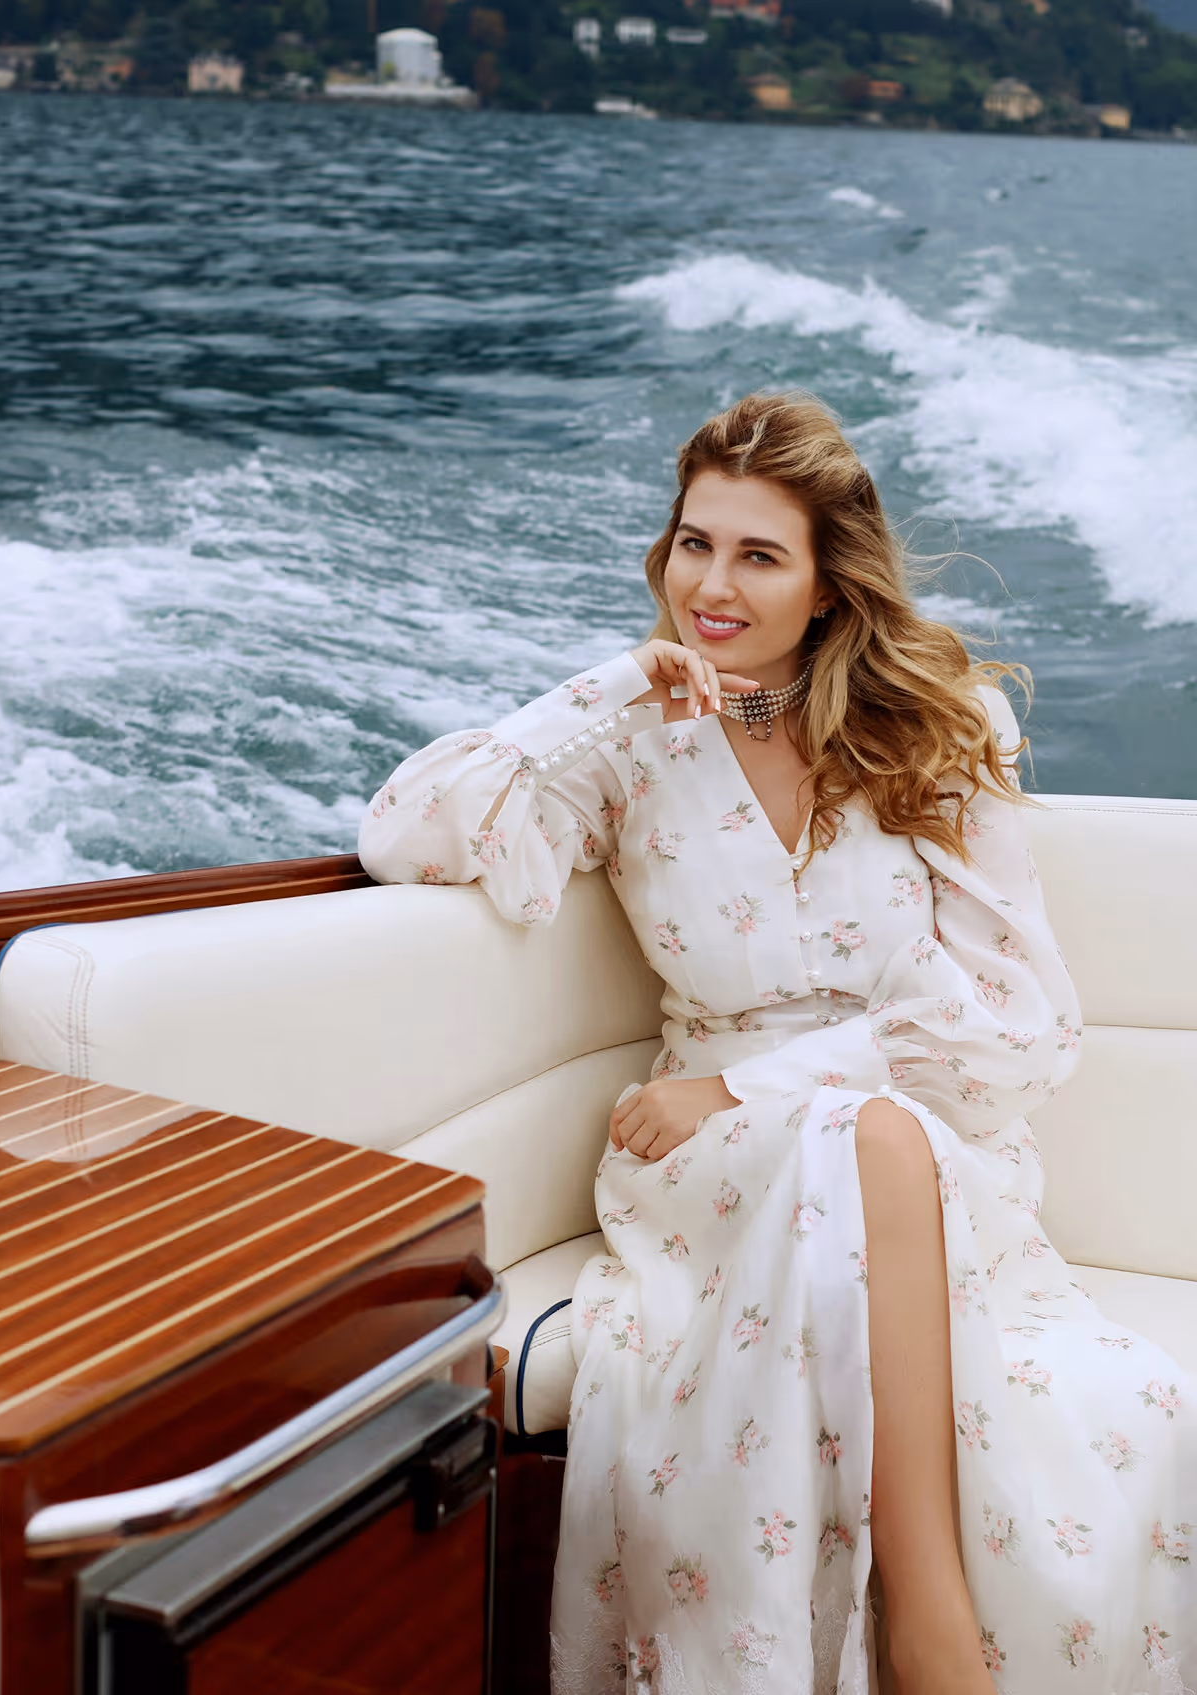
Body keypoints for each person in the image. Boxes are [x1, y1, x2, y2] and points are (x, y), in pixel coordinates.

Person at [358, 393, 1194, 1695]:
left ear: (824, 581)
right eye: (694, 544)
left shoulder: (938, 723)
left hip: (894, 1137)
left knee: (872, 1135)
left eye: (758, 555)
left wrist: (752, 1082)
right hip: (697, 1162)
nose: (714, 584)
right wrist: (603, 686)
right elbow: (405, 835)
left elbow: (1024, 1025)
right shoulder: (629, 741)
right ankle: (933, 1633)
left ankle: (919, 1606)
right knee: (854, 1139)